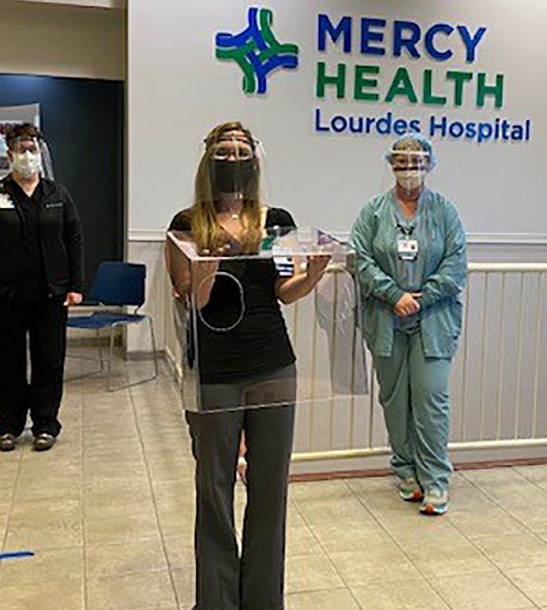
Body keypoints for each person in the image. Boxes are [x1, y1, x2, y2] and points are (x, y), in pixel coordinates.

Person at [166, 121, 327, 610]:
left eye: (241, 150)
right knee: (213, 489)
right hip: (214, 372)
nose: (233, 159)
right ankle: (215, 601)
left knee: (270, 488)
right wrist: (208, 261)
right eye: (224, 151)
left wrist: (314, 273)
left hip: (273, 365)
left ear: (255, 160)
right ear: (208, 160)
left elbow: (285, 291)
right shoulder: (186, 223)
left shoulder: (274, 221)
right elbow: (191, 300)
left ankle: (262, 600)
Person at [350, 133, 467, 516]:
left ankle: (435, 480)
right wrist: (392, 294)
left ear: (429, 166)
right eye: (402, 163)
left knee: (431, 398)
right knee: (395, 399)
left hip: (433, 319)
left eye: (417, 163)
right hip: (386, 318)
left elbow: (455, 266)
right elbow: (360, 259)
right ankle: (405, 471)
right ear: (391, 166)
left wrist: (421, 297)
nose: (409, 170)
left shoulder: (446, 212)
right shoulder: (373, 212)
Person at [0, 123, 84, 453]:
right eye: (22, 149)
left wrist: (76, 285)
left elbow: (74, 240)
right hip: (5, 298)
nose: (28, 155)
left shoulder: (57, 195)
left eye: (33, 149)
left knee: (49, 361)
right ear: (9, 155)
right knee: (9, 363)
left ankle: (46, 424)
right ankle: (9, 425)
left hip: (51, 296)